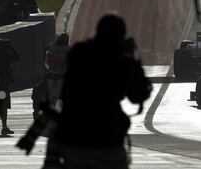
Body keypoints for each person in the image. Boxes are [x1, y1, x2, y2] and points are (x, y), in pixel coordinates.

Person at [54, 13, 152, 169]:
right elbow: (138, 95)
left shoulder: (78, 52)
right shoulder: (121, 61)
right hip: (107, 138)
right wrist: (134, 60)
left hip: (74, 136)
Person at [0, 39, 20, 135]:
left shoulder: (4, 55)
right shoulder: (5, 55)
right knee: (4, 106)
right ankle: (4, 127)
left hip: (2, 85)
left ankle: (4, 127)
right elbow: (17, 57)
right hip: (3, 86)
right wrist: (10, 47)